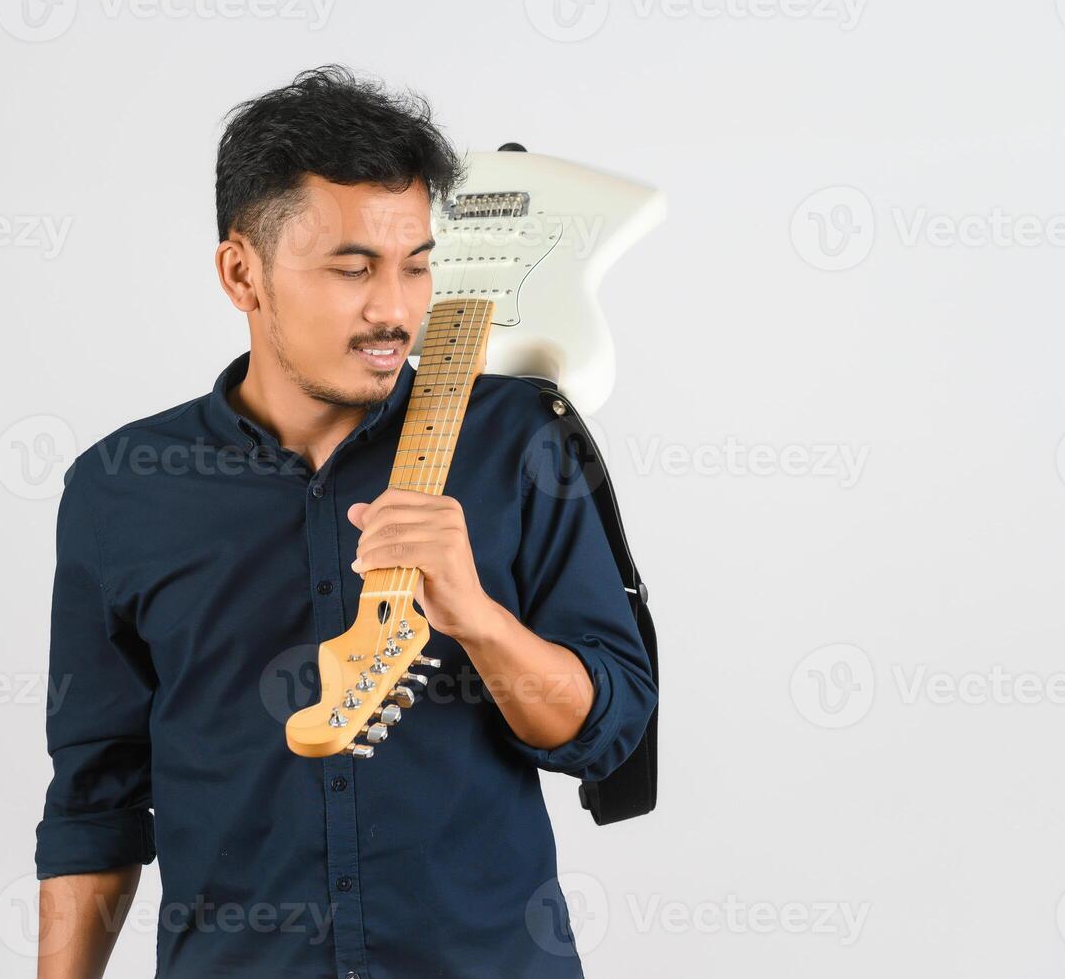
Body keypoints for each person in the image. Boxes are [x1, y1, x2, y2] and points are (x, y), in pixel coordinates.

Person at [34, 64, 657, 979]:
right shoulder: (121, 489)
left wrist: (477, 618)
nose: (395, 310)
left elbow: (609, 726)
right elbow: (95, 802)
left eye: (416, 265)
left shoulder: (518, 440)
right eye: (352, 268)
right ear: (240, 271)